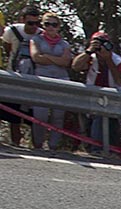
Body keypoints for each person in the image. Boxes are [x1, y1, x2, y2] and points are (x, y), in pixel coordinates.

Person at [72, 31, 121, 147]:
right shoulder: (90, 58)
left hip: (114, 98)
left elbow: (120, 82)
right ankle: (92, 146)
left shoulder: (118, 61)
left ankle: (106, 149)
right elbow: (76, 67)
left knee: (110, 124)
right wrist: (88, 51)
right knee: (92, 120)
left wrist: (108, 60)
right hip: (93, 97)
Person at [27, 12, 70, 150]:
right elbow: (36, 57)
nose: (51, 27)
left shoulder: (64, 44)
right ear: (43, 25)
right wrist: (55, 59)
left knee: (58, 115)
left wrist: (46, 56)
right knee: (40, 115)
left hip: (61, 80)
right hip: (41, 79)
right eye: (47, 24)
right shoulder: (36, 40)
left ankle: (53, 145)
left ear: (58, 27)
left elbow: (65, 61)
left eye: (54, 24)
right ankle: (38, 145)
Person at [1, 5, 41, 146]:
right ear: (22, 20)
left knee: (32, 115)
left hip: (33, 78)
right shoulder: (11, 31)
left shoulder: (41, 34)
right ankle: (15, 143)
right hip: (14, 76)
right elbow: (7, 47)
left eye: (37, 23)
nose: (34, 26)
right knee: (12, 115)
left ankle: (36, 145)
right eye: (30, 23)